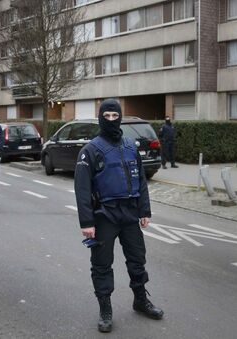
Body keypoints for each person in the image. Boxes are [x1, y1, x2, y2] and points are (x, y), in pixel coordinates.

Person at [74, 99, 164, 333]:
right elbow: (82, 190)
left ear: (121, 117)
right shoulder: (90, 151)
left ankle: (140, 300)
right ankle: (105, 309)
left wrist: (144, 211)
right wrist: (87, 223)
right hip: (104, 216)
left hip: (130, 214)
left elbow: (141, 181)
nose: (112, 120)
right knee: (102, 264)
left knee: (137, 259)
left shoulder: (129, 146)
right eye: (108, 116)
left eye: (115, 116)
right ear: (101, 118)